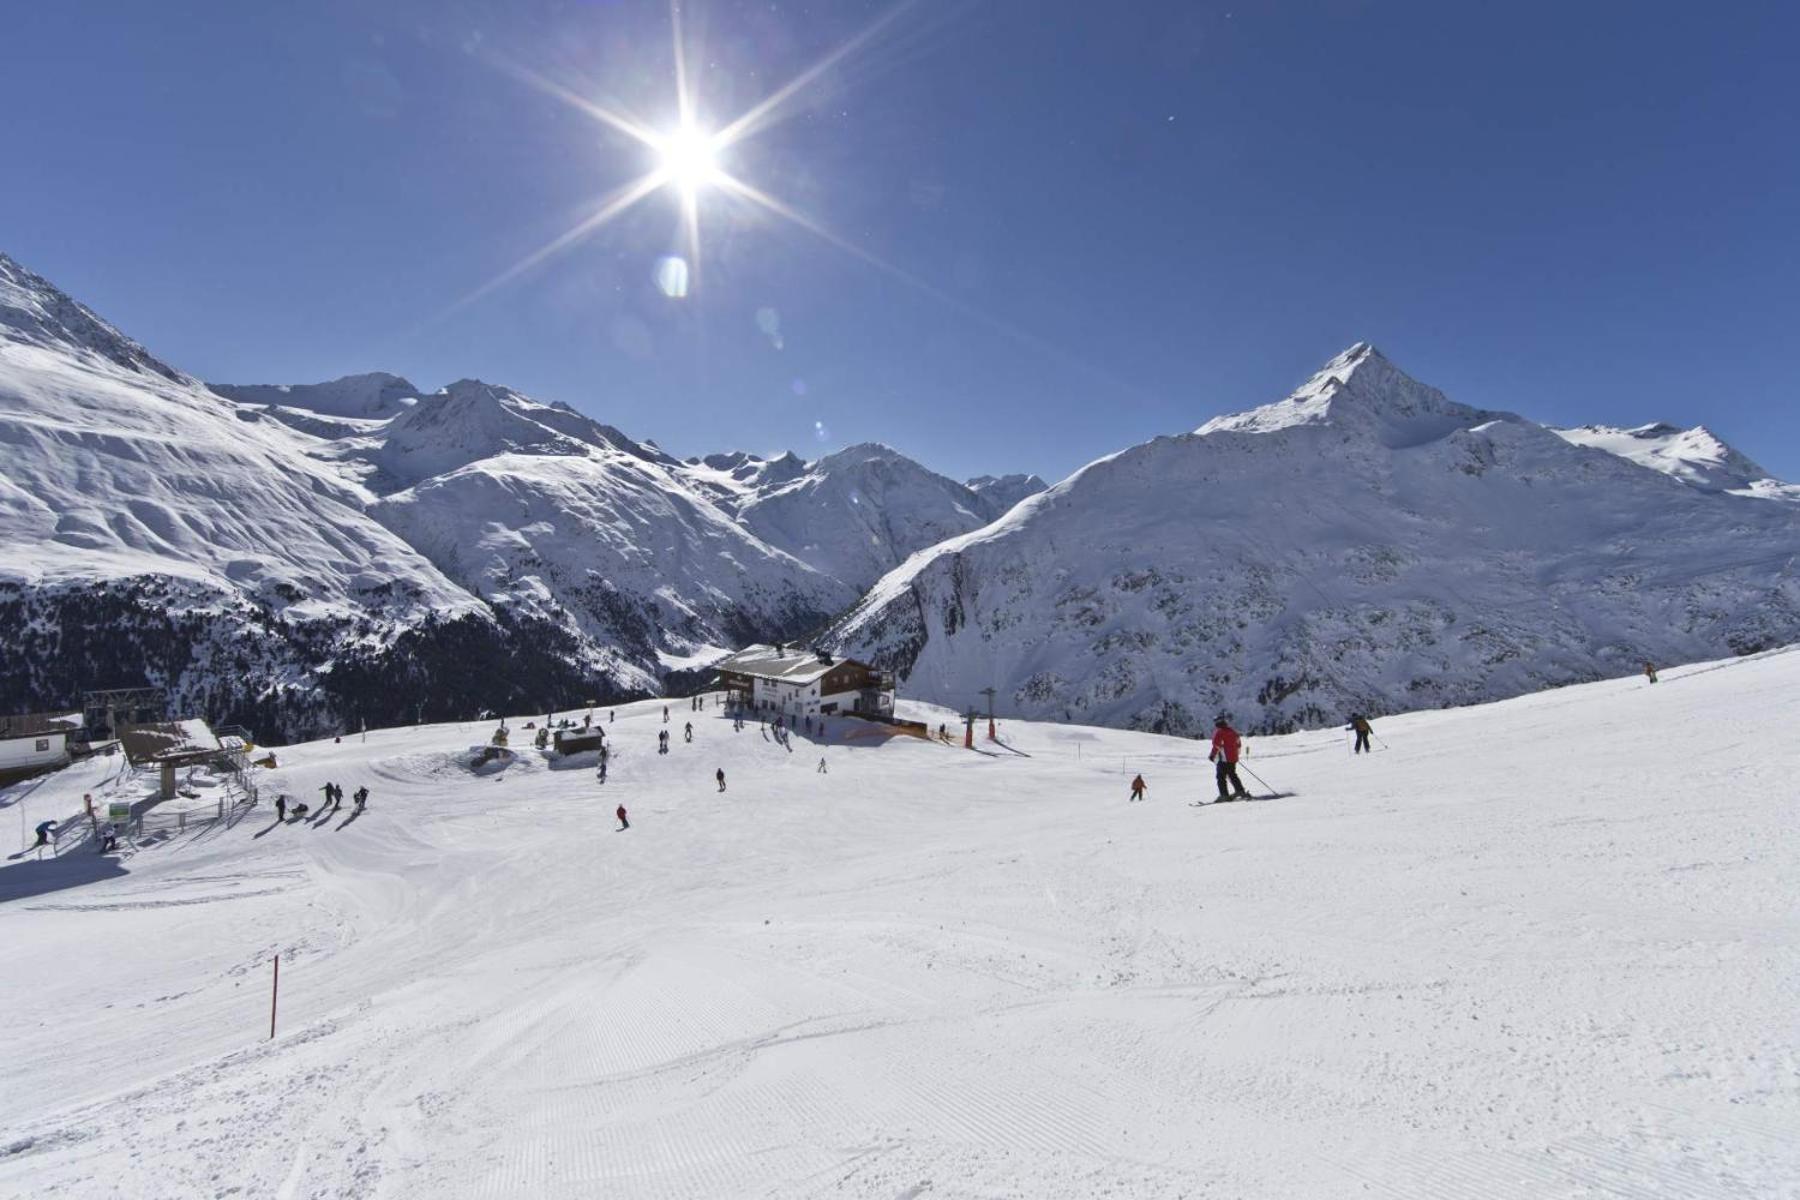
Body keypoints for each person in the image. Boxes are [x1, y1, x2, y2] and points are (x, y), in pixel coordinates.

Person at [1209, 718, 1251, 802]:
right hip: (1233, 758)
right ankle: (1240, 791)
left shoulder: (1219, 732)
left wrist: (1212, 755)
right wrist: (1235, 755)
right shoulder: (1233, 732)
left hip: (1224, 759)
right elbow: (1238, 744)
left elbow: (1216, 745)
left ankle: (1224, 795)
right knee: (1232, 774)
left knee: (1221, 776)